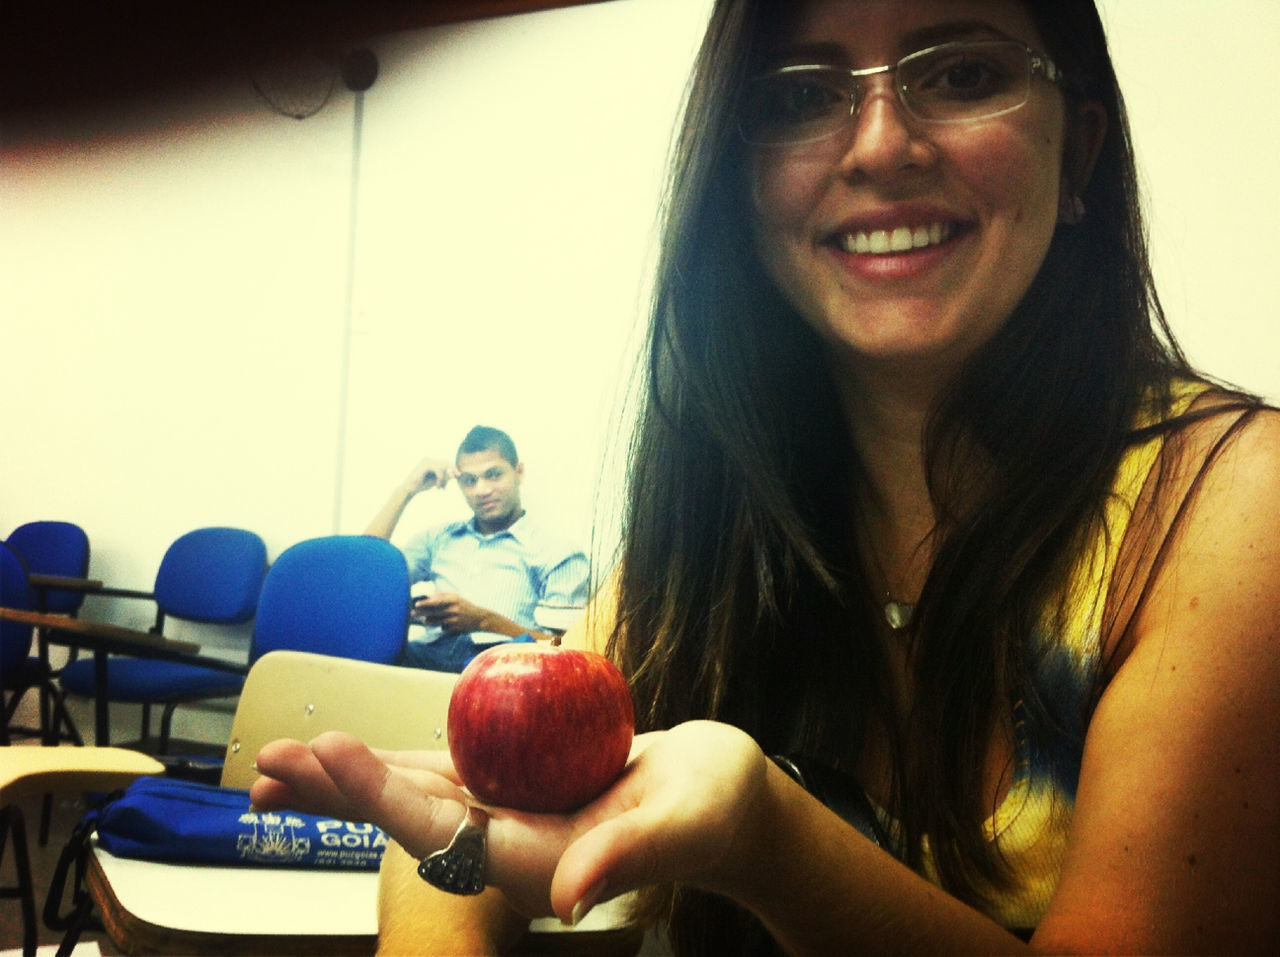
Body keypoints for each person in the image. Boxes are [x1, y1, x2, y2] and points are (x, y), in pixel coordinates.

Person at [251, 1, 1280, 953]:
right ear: (738, 188)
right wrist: (465, 871)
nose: (880, 145)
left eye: (962, 74)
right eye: (798, 95)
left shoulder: (1234, 509)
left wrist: (772, 847)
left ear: (1080, 155)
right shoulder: (724, 520)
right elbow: (465, 819)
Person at [365, 424, 590, 672]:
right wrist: (407, 490)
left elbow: (567, 651)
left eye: (494, 474)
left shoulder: (557, 553)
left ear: (519, 472)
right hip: (427, 655)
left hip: (502, 668)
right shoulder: (439, 539)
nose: (481, 490)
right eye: (469, 481)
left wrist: (484, 620)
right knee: (360, 651)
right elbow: (363, 575)